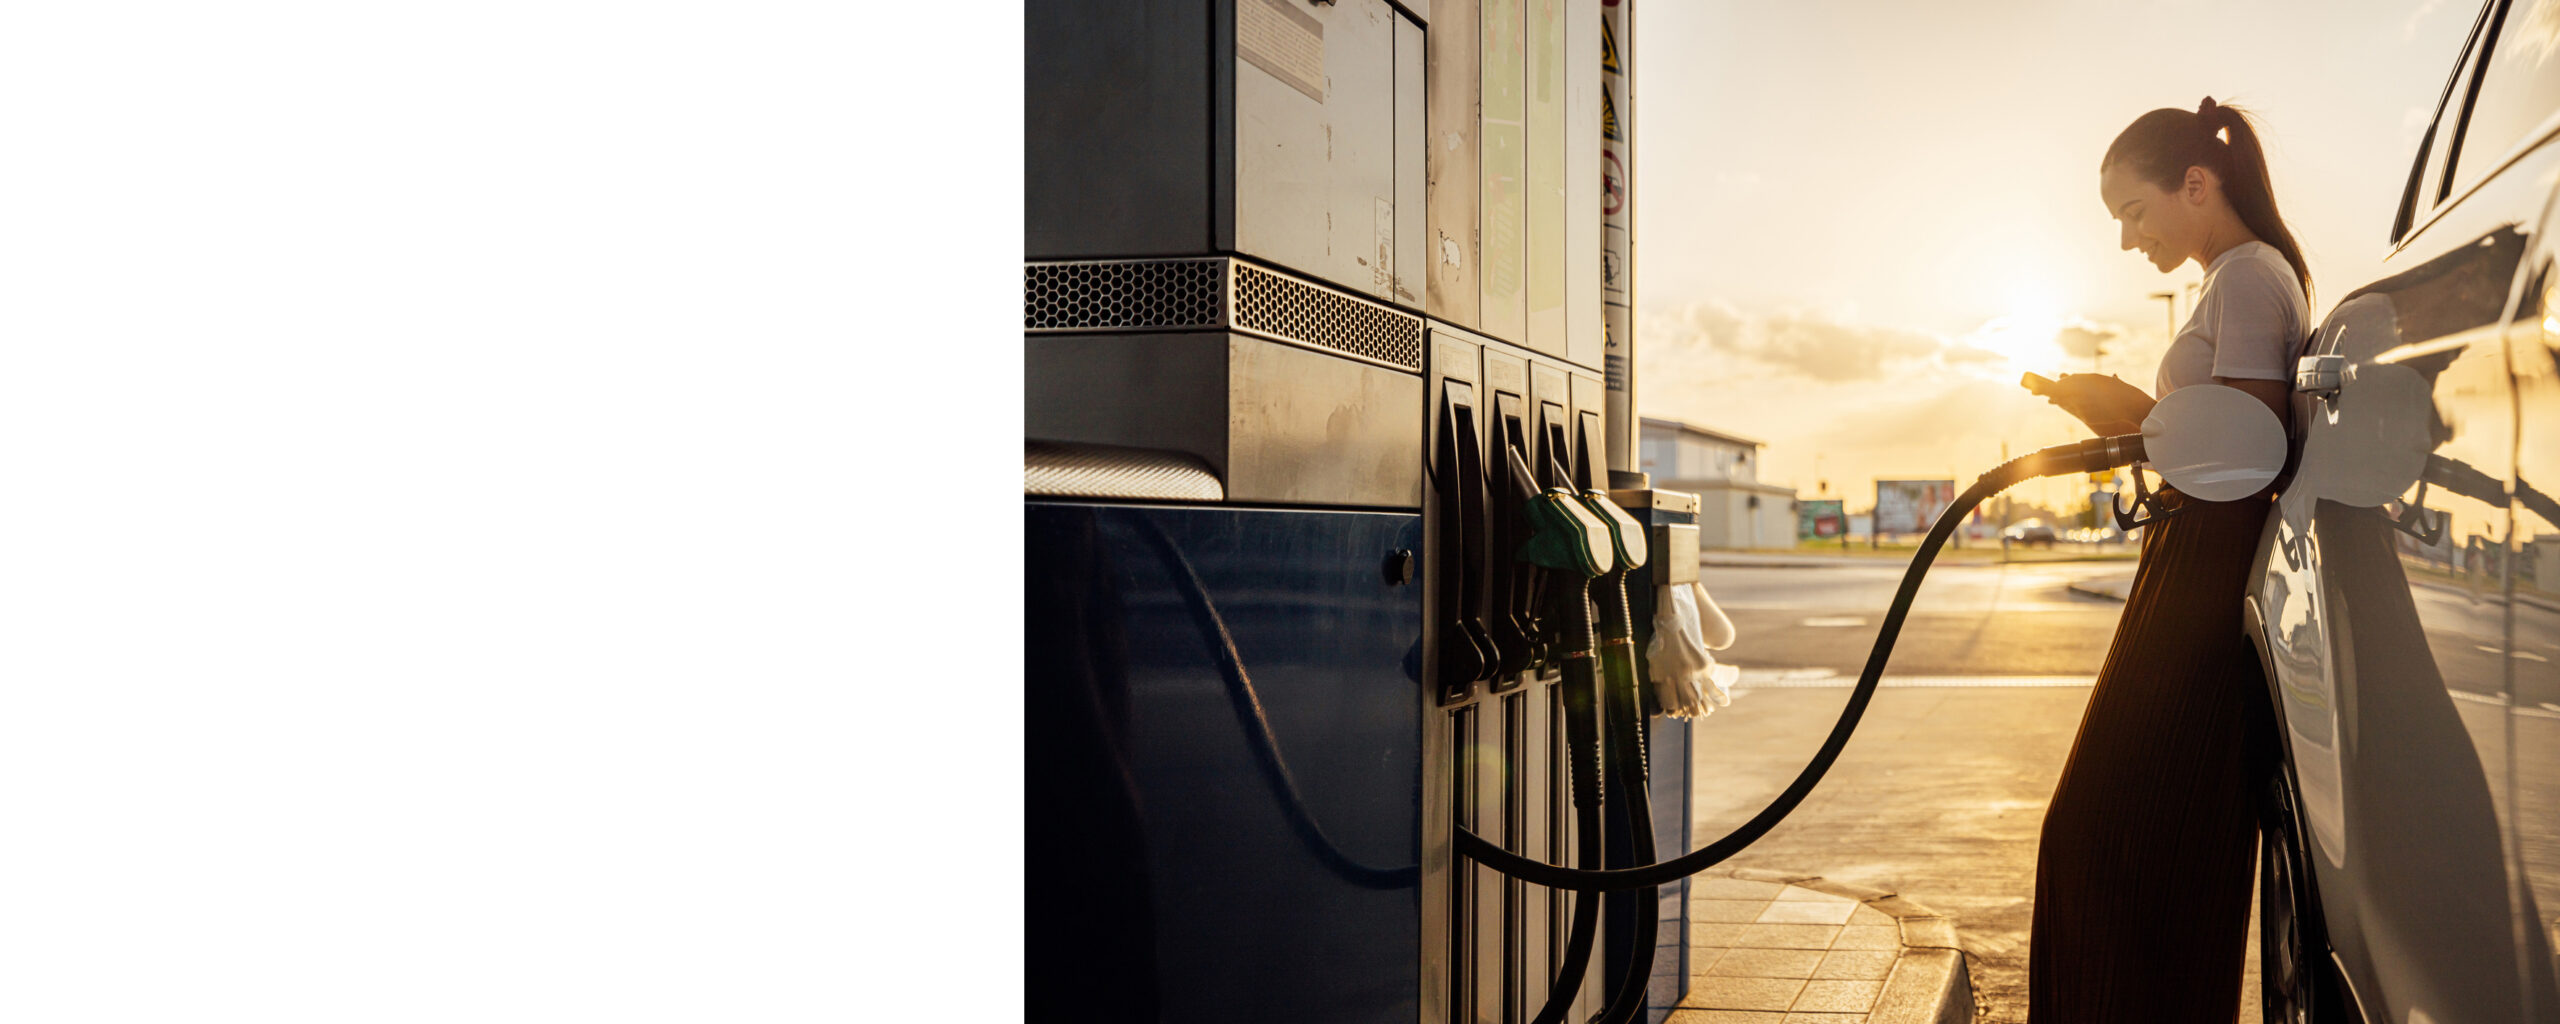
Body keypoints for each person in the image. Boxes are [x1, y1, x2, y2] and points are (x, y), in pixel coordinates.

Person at [2026, 96, 2306, 1020]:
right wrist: (2131, 420)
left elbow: (2247, 452)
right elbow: (2222, 441)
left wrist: (2133, 418)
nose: (2125, 240)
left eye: (2132, 212)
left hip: (2206, 568)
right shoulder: (2232, 278)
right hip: (2187, 561)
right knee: (2141, 834)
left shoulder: (2250, 278)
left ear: (2197, 183)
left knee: (2101, 833)